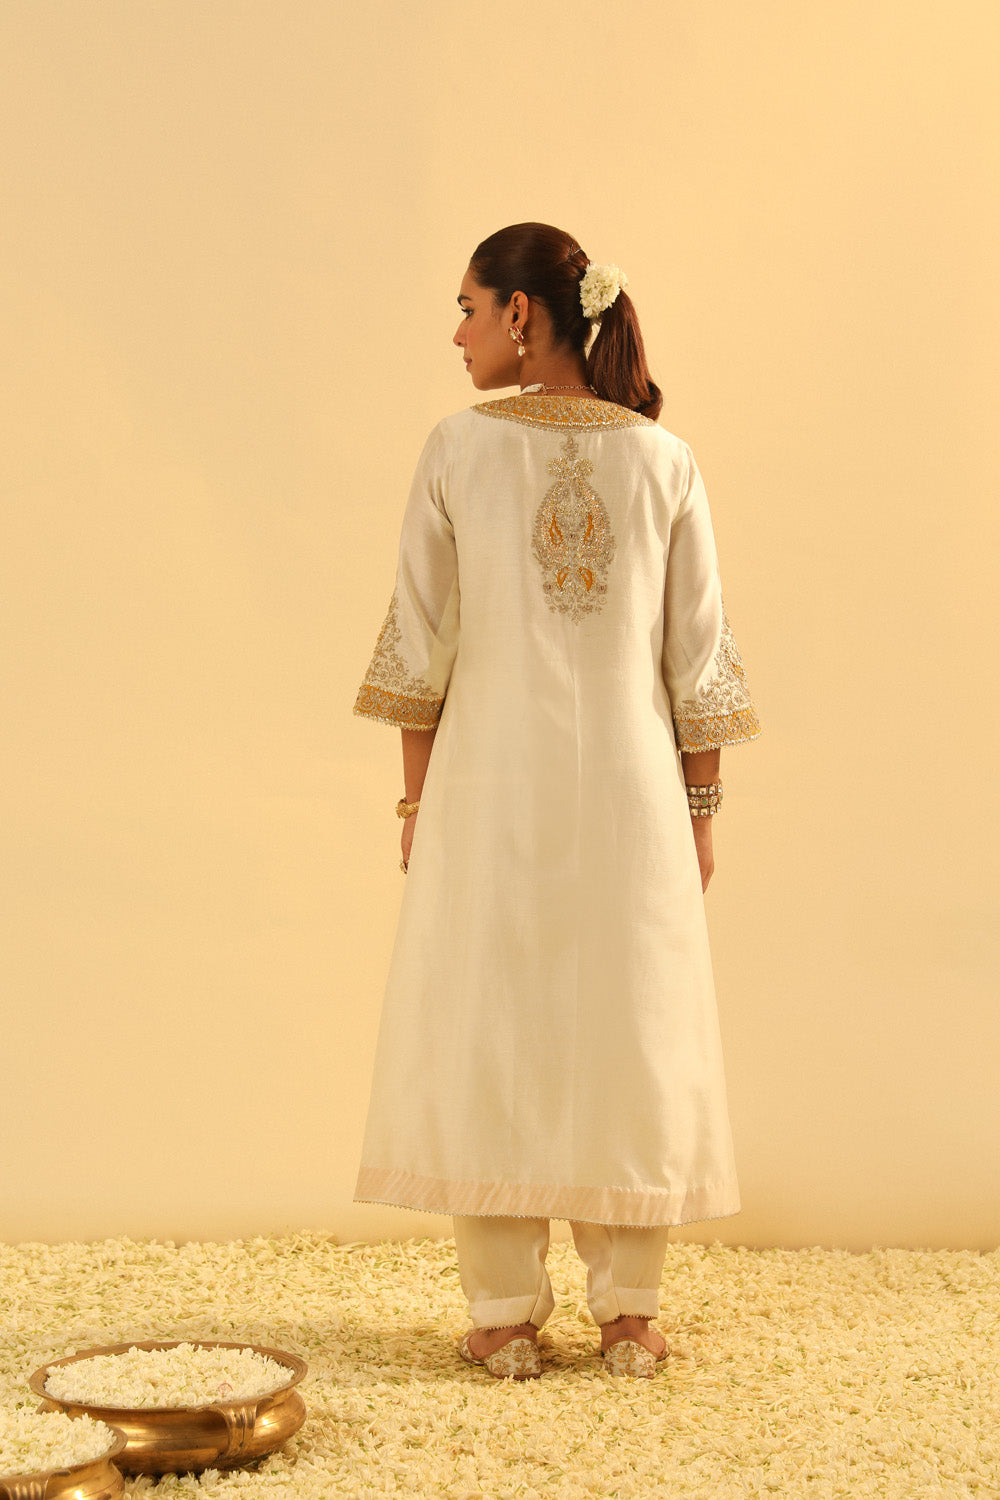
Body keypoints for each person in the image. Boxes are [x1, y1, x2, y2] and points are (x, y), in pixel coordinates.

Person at [352, 222, 761, 1380]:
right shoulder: (663, 460)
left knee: (493, 1025)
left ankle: (500, 1315)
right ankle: (628, 1312)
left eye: (468, 307)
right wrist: (699, 814)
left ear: (521, 315)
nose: (458, 333)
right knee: (631, 1027)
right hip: (634, 795)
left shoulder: (456, 448)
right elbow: (699, 661)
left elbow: (418, 647)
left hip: (486, 789)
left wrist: (415, 812)